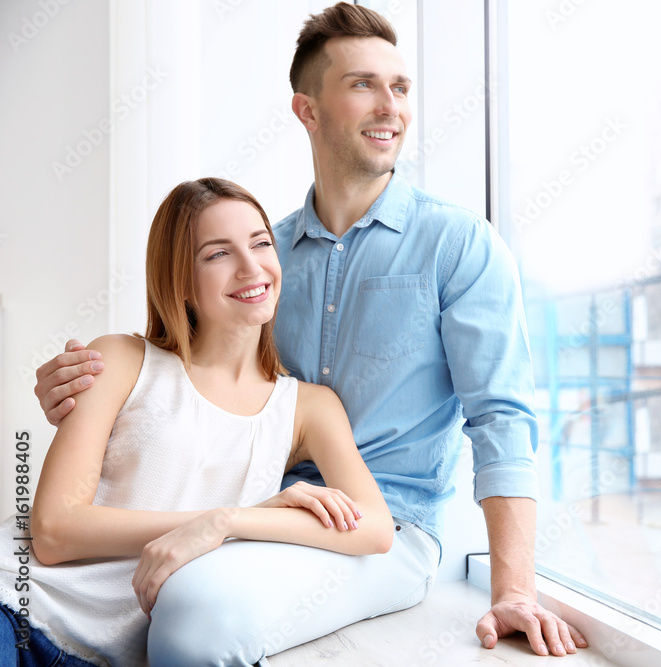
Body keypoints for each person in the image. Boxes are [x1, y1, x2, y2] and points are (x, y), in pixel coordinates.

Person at [34, 3, 587, 662]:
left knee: (194, 613)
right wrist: (89, 387)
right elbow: (192, 364)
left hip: (384, 523)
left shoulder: (458, 243)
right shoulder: (270, 260)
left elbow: (501, 416)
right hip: (267, 506)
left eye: (400, 86)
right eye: (363, 84)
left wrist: (515, 588)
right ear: (308, 110)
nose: (391, 105)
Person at [5, 178, 394, 666]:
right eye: (218, 254)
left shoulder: (309, 407)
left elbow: (376, 529)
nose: (251, 268)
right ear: (180, 281)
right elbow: (55, 530)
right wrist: (206, 524)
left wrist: (229, 522)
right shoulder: (121, 360)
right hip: (18, 611)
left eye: (260, 244)